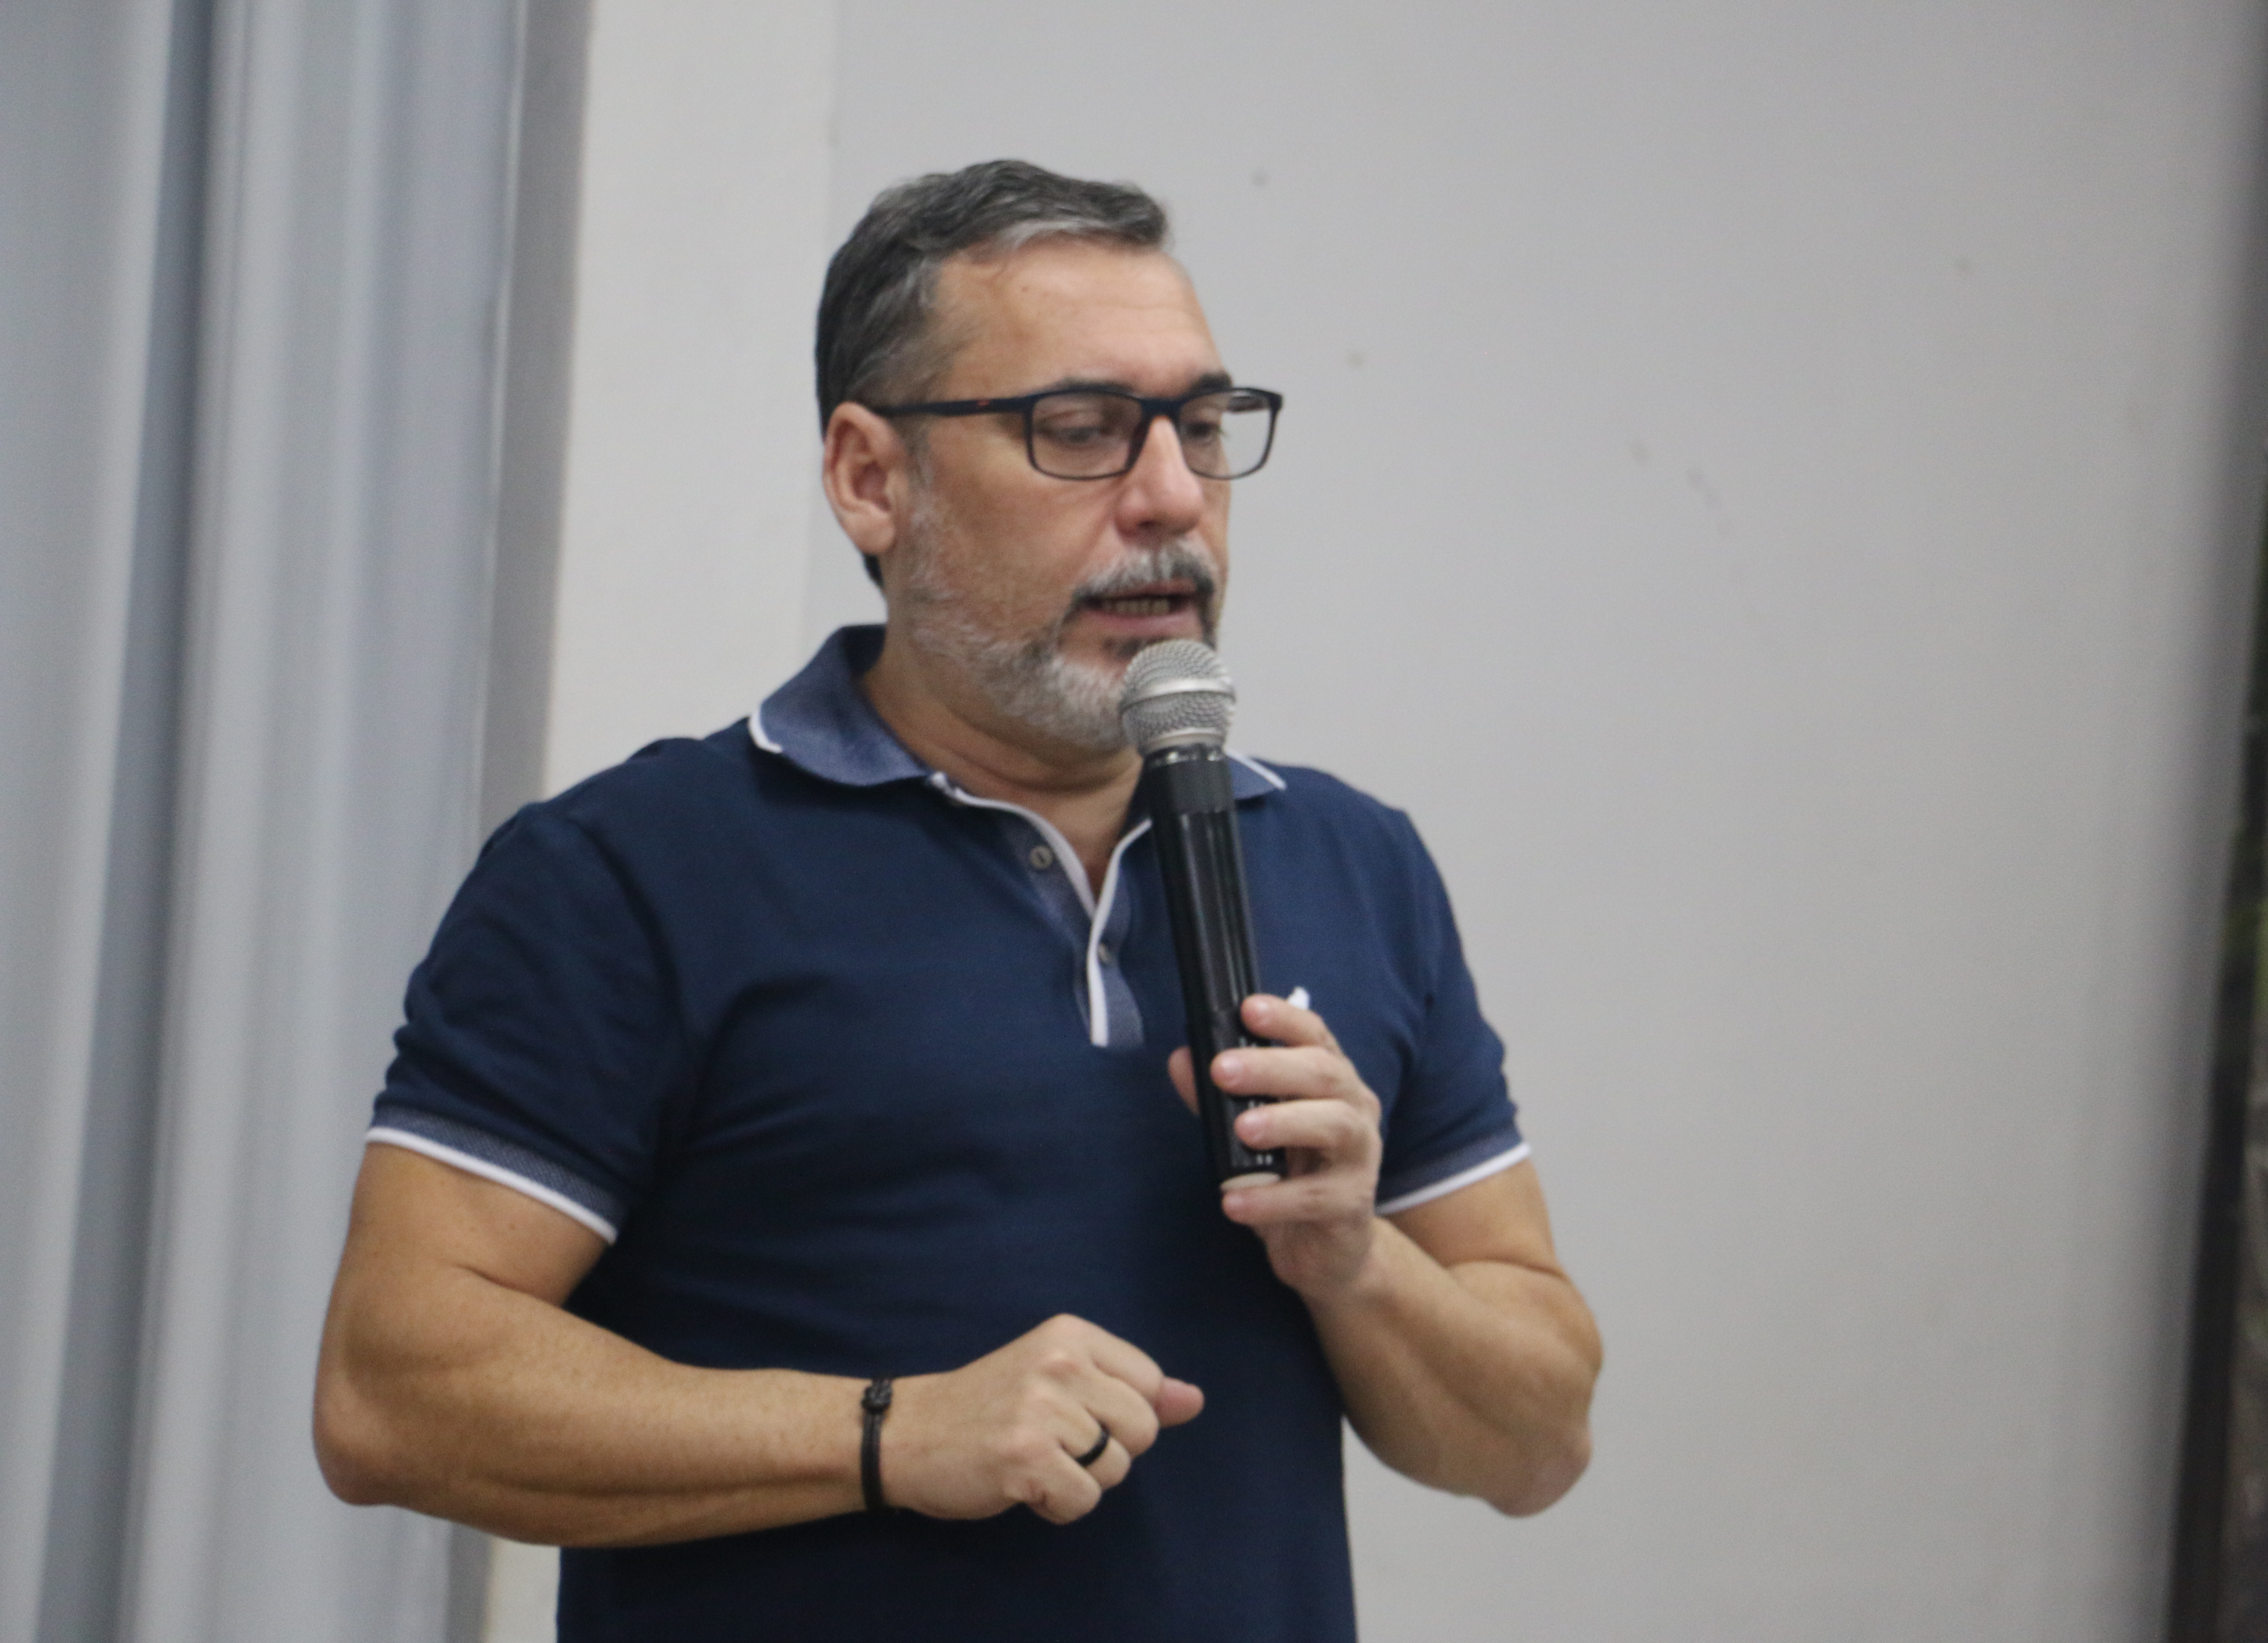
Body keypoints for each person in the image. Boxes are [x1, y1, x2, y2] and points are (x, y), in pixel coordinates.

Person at [314, 159, 1600, 1642]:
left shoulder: (1355, 862)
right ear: (874, 478)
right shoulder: (630, 873)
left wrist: (1355, 1262)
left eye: (1199, 427)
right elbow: (391, 1390)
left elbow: (1536, 1443)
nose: (1173, 499)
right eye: (1082, 431)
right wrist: (887, 1434)